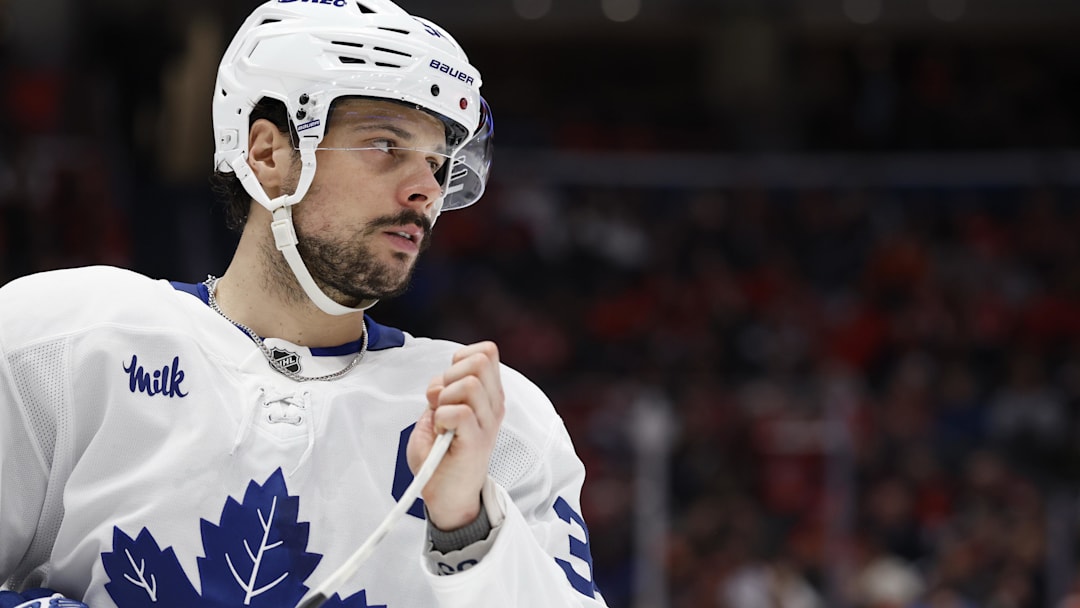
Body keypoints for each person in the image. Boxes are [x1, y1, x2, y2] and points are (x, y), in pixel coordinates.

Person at [0, 1, 606, 606]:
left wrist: (467, 528)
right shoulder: (62, 344)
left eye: (438, 162)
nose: (426, 188)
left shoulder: (494, 421)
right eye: (384, 145)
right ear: (268, 155)